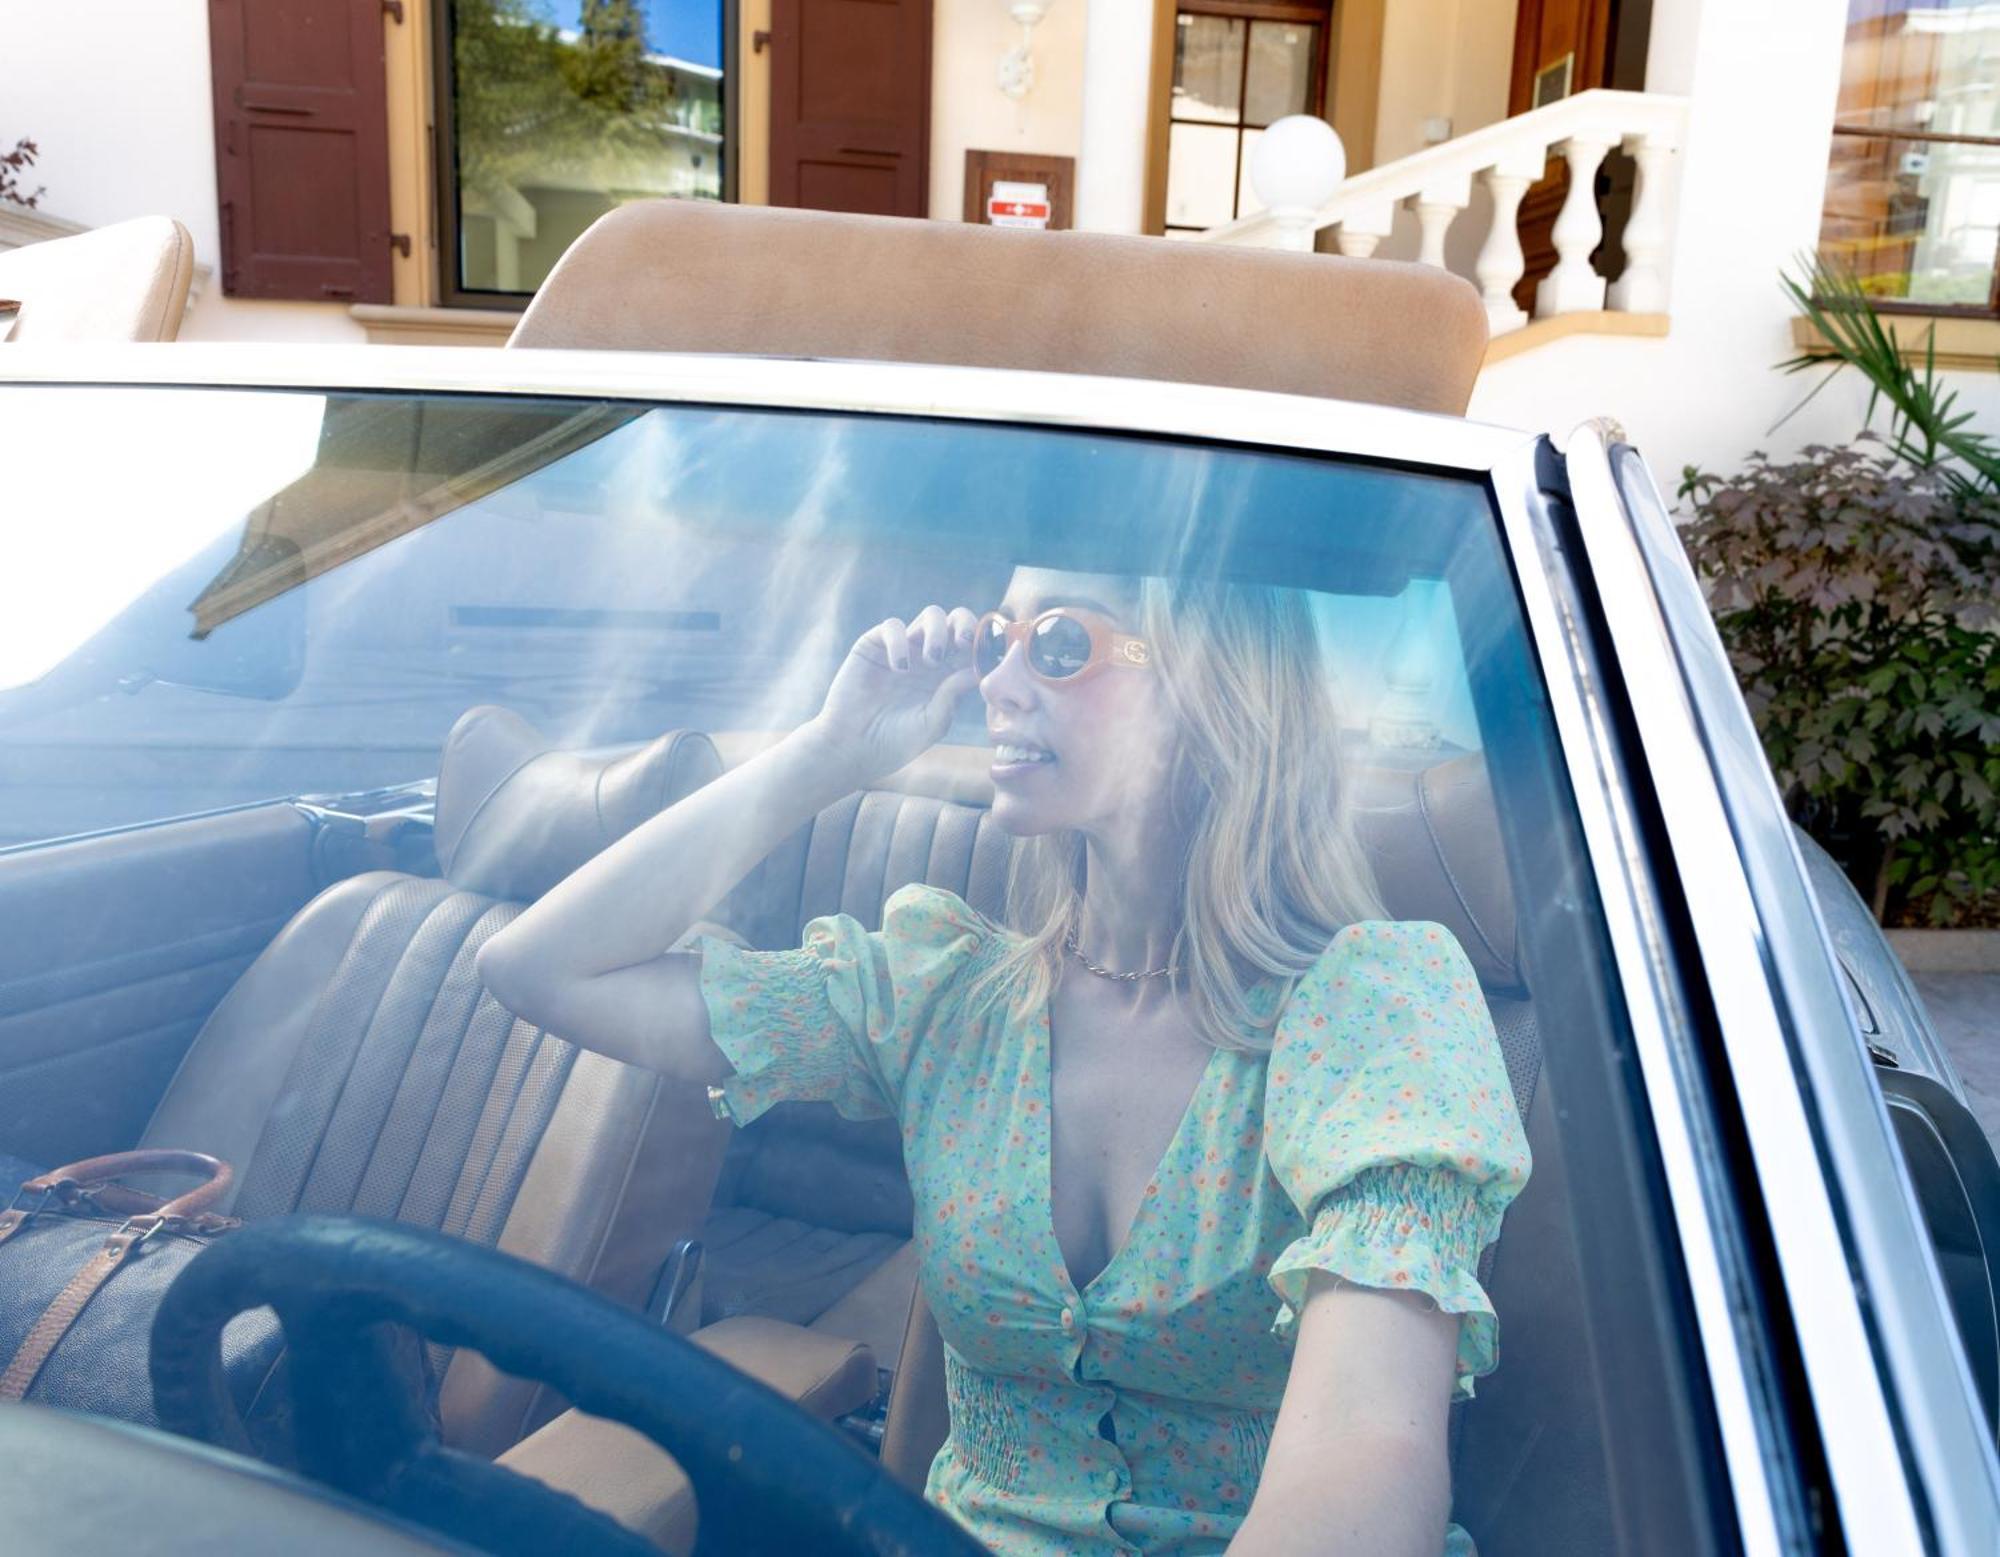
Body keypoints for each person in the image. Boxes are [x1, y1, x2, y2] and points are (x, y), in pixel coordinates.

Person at [477, 568, 1531, 1556]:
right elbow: (541, 969)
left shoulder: (1372, 1009)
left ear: (1215, 694)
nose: (995, 678)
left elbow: (1366, 1457)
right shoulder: (946, 993)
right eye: (996, 638)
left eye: (1059, 642)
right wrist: (827, 755)